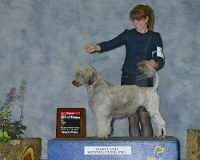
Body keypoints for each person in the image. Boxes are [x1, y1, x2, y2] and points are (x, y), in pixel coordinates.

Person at [85, 4, 165, 137]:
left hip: (144, 79)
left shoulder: (155, 37)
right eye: (133, 20)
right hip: (127, 79)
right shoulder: (128, 34)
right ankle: (135, 152)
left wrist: (156, 63)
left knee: (144, 118)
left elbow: (161, 59)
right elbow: (111, 43)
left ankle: (146, 151)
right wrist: (96, 47)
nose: (135, 23)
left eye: (138, 20)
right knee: (132, 119)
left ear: (146, 19)